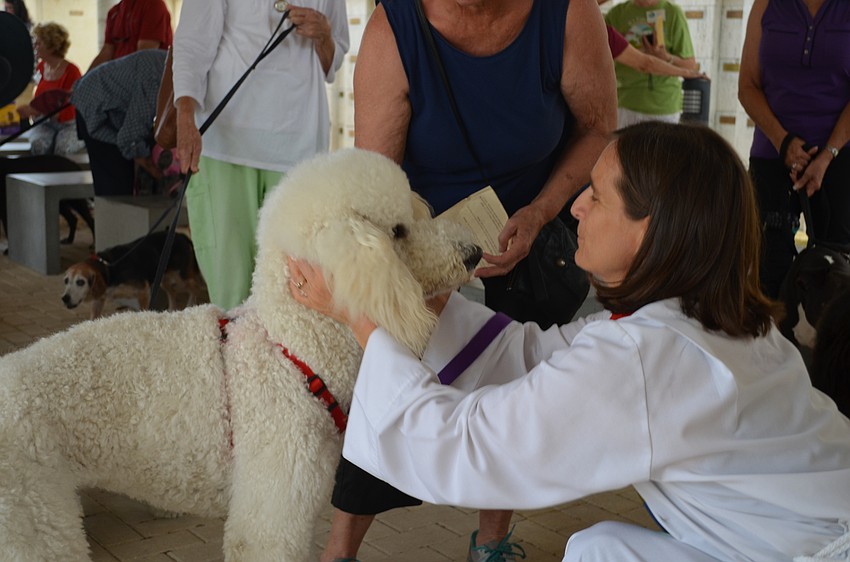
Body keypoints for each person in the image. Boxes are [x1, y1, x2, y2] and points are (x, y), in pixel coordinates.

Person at [290, 121, 850, 562]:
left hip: (817, 549)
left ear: (650, 229)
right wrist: (427, 307)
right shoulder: (708, 320)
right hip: (809, 524)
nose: (577, 205)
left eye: (599, 197)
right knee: (596, 549)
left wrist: (363, 319)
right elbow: (537, 360)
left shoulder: (649, 358)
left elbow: (474, 448)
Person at [326, 0, 617, 560]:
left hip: (533, 224)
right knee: (393, 372)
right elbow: (378, 187)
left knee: (518, 395)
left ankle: (492, 541)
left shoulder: (568, 13)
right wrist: (439, 254)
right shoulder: (396, 29)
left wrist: (539, 211)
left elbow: (598, 128)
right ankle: (339, 549)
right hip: (426, 229)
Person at [173, 0, 349, 310]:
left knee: (295, 285)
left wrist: (324, 37)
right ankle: (235, 356)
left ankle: (285, 358)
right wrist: (185, 115)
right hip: (226, 142)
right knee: (232, 288)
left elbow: (332, 63)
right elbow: (191, 45)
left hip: (300, 146)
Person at [738, 0, 850, 300]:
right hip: (771, 154)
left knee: (836, 276)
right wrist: (783, 142)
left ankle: (830, 346)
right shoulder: (765, 5)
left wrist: (827, 155)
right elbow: (747, 86)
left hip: (838, 157)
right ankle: (767, 345)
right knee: (765, 271)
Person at [71, 49, 167, 197]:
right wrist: (154, 170)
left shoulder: (165, 65)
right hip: (96, 111)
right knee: (116, 192)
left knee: (118, 187)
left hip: (103, 106)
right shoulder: (156, 78)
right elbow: (130, 138)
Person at [605, 0, 699, 126]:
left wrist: (666, 58)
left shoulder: (673, 13)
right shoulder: (616, 14)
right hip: (625, 103)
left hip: (664, 106)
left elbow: (690, 64)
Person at [16, 22, 85, 156]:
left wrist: (35, 110)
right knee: (39, 146)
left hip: (68, 124)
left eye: (38, 43)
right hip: (44, 122)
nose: (35, 47)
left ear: (51, 46)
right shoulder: (41, 67)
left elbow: (70, 111)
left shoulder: (72, 71)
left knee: (63, 149)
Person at [87, 0, 173, 71]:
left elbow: (145, 55)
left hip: (147, 78)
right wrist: (83, 82)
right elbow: (106, 51)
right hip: (121, 76)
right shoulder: (114, 12)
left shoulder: (153, 5)